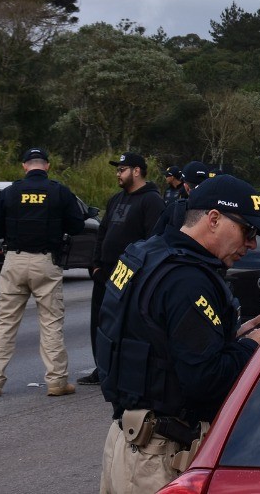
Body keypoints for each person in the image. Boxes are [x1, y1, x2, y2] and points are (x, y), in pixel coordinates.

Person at [97, 174, 260, 494]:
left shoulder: (146, 254)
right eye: (247, 230)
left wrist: (225, 340)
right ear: (213, 219)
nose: (252, 243)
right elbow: (205, 380)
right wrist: (252, 346)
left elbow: (154, 339)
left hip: (124, 441)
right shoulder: (188, 280)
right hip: (157, 456)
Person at [0, 147, 87, 398]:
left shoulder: (10, 192)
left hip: (14, 262)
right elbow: (77, 225)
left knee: (5, 324)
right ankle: (57, 382)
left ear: (25, 166)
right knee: (50, 324)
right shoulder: (59, 191)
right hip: (46, 263)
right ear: (47, 166)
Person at [79, 152, 165, 386]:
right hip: (104, 272)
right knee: (99, 322)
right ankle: (102, 368)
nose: (118, 174)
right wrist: (95, 265)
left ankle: (122, 370)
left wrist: (137, 274)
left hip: (128, 273)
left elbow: (153, 241)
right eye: (118, 170)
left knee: (125, 325)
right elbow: (103, 233)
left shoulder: (151, 201)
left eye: (122, 169)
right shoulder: (116, 199)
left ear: (136, 171)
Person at [153, 160, 209, 236]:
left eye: (167, 176)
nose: (165, 178)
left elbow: (155, 237)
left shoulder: (174, 208)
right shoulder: (221, 209)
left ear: (186, 187)